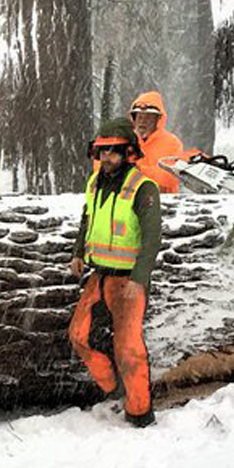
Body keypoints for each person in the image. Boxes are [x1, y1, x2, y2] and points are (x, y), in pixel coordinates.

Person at [69, 117, 162, 427]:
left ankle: (139, 412)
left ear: (128, 153)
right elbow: (87, 217)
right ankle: (113, 387)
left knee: (128, 347)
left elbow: (152, 236)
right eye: (101, 151)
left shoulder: (142, 187)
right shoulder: (95, 183)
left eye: (112, 151)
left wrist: (140, 278)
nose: (105, 157)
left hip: (127, 279)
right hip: (98, 274)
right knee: (78, 335)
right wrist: (78, 252)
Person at [123, 90, 201, 194]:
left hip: (164, 203)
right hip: (130, 203)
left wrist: (138, 169)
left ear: (158, 119)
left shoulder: (172, 143)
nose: (142, 121)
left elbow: (172, 178)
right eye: (139, 117)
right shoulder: (125, 141)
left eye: (148, 118)